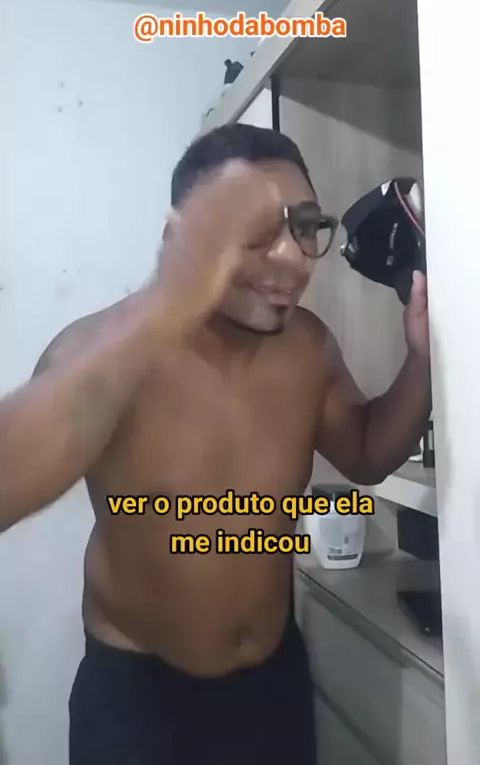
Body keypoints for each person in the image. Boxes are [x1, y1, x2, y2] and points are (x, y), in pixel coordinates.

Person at [0, 123, 431, 764]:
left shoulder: (308, 347)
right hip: (137, 702)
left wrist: (422, 359)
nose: (292, 258)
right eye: (254, 231)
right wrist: (167, 305)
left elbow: (368, 454)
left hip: (269, 686)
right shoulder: (100, 355)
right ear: (179, 238)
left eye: (305, 227)